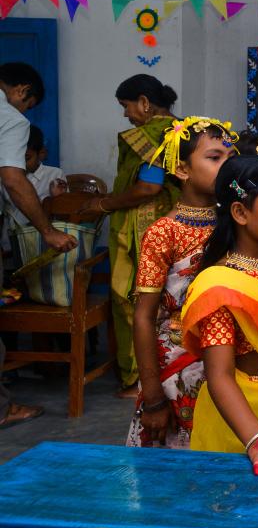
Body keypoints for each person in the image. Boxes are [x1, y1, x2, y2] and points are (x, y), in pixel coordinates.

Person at [181, 155, 258, 476]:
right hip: (244, 421)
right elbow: (219, 374)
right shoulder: (220, 283)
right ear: (240, 212)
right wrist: (257, 437)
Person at [126, 117, 237, 448]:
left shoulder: (240, 218)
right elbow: (144, 317)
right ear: (182, 169)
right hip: (178, 365)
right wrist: (154, 396)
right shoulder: (164, 232)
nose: (227, 167)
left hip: (231, 360)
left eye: (231, 159)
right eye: (215, 158)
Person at [81, 75, 182, 397]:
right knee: (174, 300)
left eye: (126, 106)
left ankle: (138, 379)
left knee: (132, 301)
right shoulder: (186, 131)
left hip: (142, 231)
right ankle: (174, 371)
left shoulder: (148, 136)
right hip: (181, 224)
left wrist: (103, 203)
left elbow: (148, 187)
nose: (126, 115)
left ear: (143, 102)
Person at [0, 62, 76, 429]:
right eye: (26, 105)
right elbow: (14, 179)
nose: (23, 112)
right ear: (22, 91)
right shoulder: (11, 119)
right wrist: (47, 231)